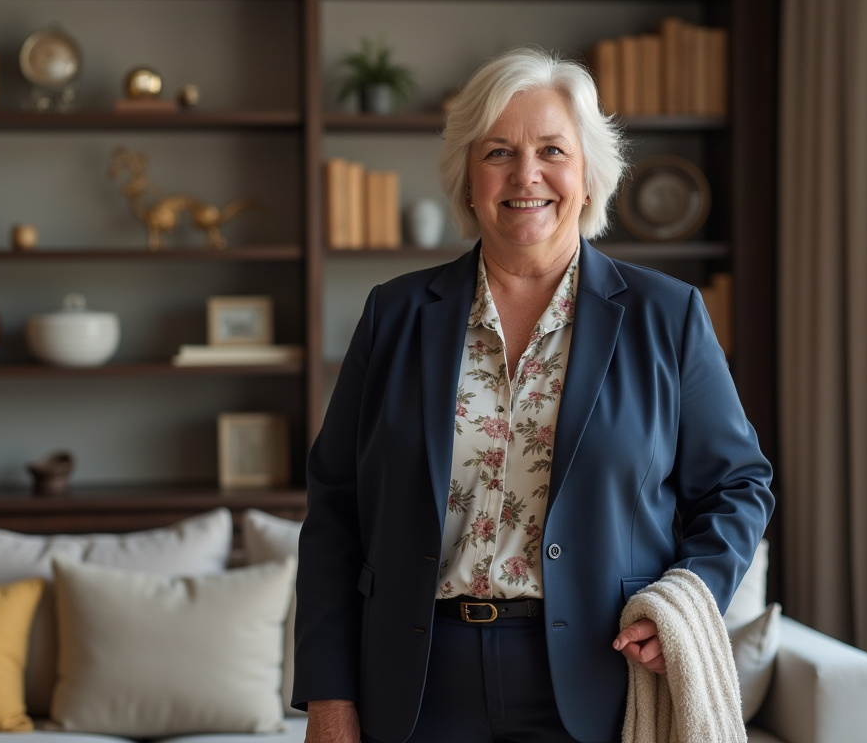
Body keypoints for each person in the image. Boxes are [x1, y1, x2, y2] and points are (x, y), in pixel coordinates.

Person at [293, 47, 774, 743]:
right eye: (498, 153)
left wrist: (686, 598)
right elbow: (335, 511)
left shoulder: (667, 316)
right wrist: (328, 697)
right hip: (415, 688)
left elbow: (740, 483)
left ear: (587, 178)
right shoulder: (393, 316)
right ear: (466, 180)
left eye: (552, 149)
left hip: (597, 683)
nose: (526, 175)